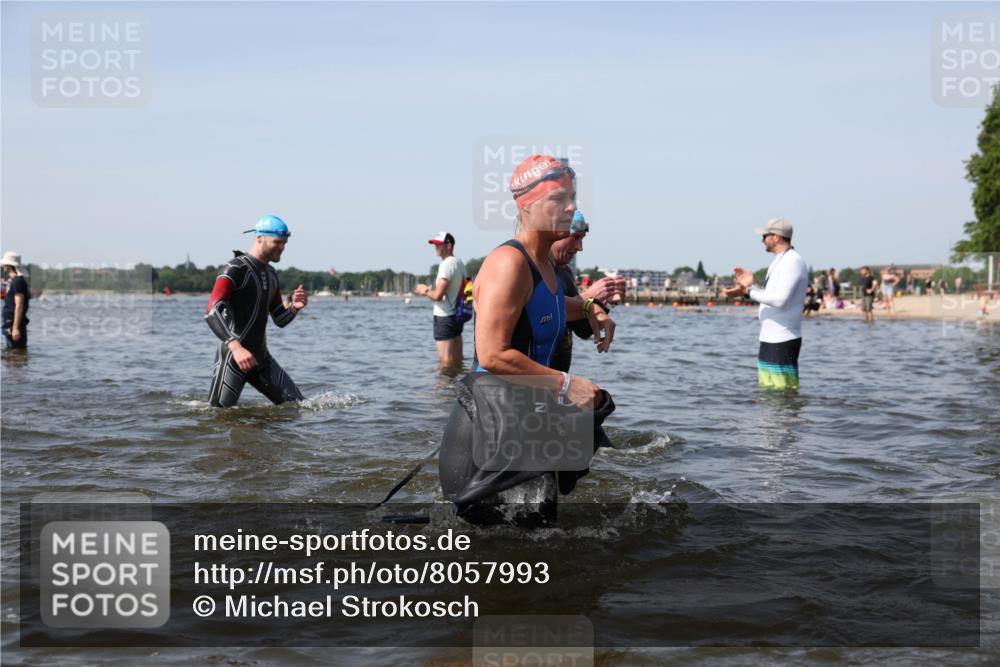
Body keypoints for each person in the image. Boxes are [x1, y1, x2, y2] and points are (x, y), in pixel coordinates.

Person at [439, 154, 616, 521]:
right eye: (558, 199)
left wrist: (587, 309)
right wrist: (566, 384)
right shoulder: (509, 262)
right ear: (527, 204)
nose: (570, 206)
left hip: (525, 427)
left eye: (572, 197)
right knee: (488, 559)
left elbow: (544, 307)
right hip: (485, 432)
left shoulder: (545, 265)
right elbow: (493, 354)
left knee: (543, 547)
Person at [204, 215, 308, 407]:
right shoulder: (235, 268)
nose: (282, 247)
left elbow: (279, 318)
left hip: (261, 358)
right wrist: (236, 348)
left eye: (284, 243)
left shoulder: (271, 274)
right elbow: (212, 310)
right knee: (218, 417)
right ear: (259, 238)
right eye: (277, 242)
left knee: (298, 407)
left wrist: (294, 307)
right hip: (233, 357)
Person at [725, 218, 809, 390]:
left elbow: (780, 300)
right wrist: (749, 286)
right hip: (770, 337)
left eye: (765, 235)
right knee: (769, 393)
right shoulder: (780, 260)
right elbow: (771, 295)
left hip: (782, 338)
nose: (762, 239)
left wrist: (748, 292)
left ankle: (786, 418)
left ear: (776, 237)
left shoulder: (792, 261)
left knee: (782, 394)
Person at [549, 210, 627, 372]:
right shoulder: (531, 269)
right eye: (575, 237)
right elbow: (540, 310)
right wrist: (587, 298)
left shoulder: (565, 272)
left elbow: (582, 329)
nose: (580, 247)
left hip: (556, 380)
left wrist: (603, 302)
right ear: (554, 233)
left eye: (582, 239)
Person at [415, 232, 467, 370]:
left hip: (445, 317)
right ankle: (457, 390)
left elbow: (438, 295)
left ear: (448, 245)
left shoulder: (446, 265)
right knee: (458, 361)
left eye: (438, 244)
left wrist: (424, 290)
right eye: (435, 244)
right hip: (457, 316)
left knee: (445, 363)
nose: (435, 247)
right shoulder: (460, 263)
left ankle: (443, 391)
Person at [2, 251, 30, 349]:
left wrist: (15, 328)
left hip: (14, 326)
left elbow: (19, 306)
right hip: (10, 325)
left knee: (15, 356)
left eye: (5, 263)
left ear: (9, 265)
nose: (3, 265)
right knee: (12, 357)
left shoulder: (18, 281)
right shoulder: (14, 281)